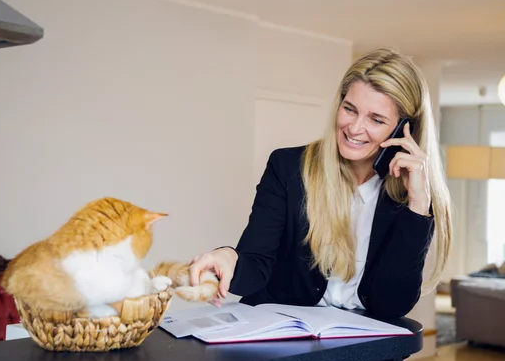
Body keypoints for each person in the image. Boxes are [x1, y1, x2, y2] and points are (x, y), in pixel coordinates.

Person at [189, 48, 452, 327]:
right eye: (349, 109)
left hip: (361, 345)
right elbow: (255, 264)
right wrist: (228, 257)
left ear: (403, 129)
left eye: (376, 119)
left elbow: (392, 303)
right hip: (282, 335)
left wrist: (418, 204)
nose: (354, 128)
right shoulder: (288, 167)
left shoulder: (413, 196)